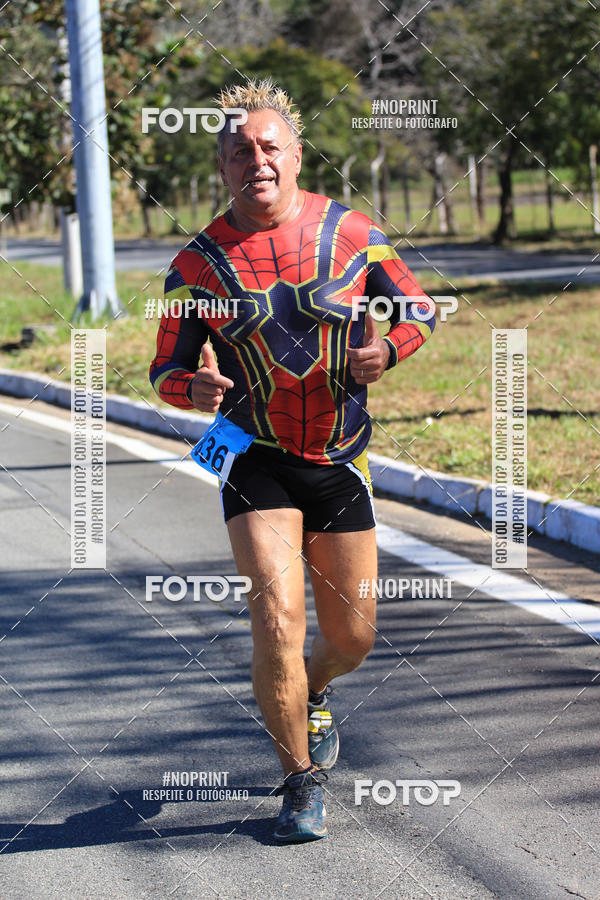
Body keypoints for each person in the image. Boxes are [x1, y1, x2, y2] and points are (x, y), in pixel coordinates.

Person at [149, 79, 435, 842]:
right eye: (240, 152)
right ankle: (299, 781)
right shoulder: (195, 265)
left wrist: (387, 350)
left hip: (339, 456)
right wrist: (191, 387)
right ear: (222, 166)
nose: (258, 162)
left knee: (352, 637)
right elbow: (163, 369)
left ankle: (314, 691)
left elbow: (419, 309)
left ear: (297, 155)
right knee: (275, 619)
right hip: (254, 457)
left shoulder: (355, 233)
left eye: (269, 147)